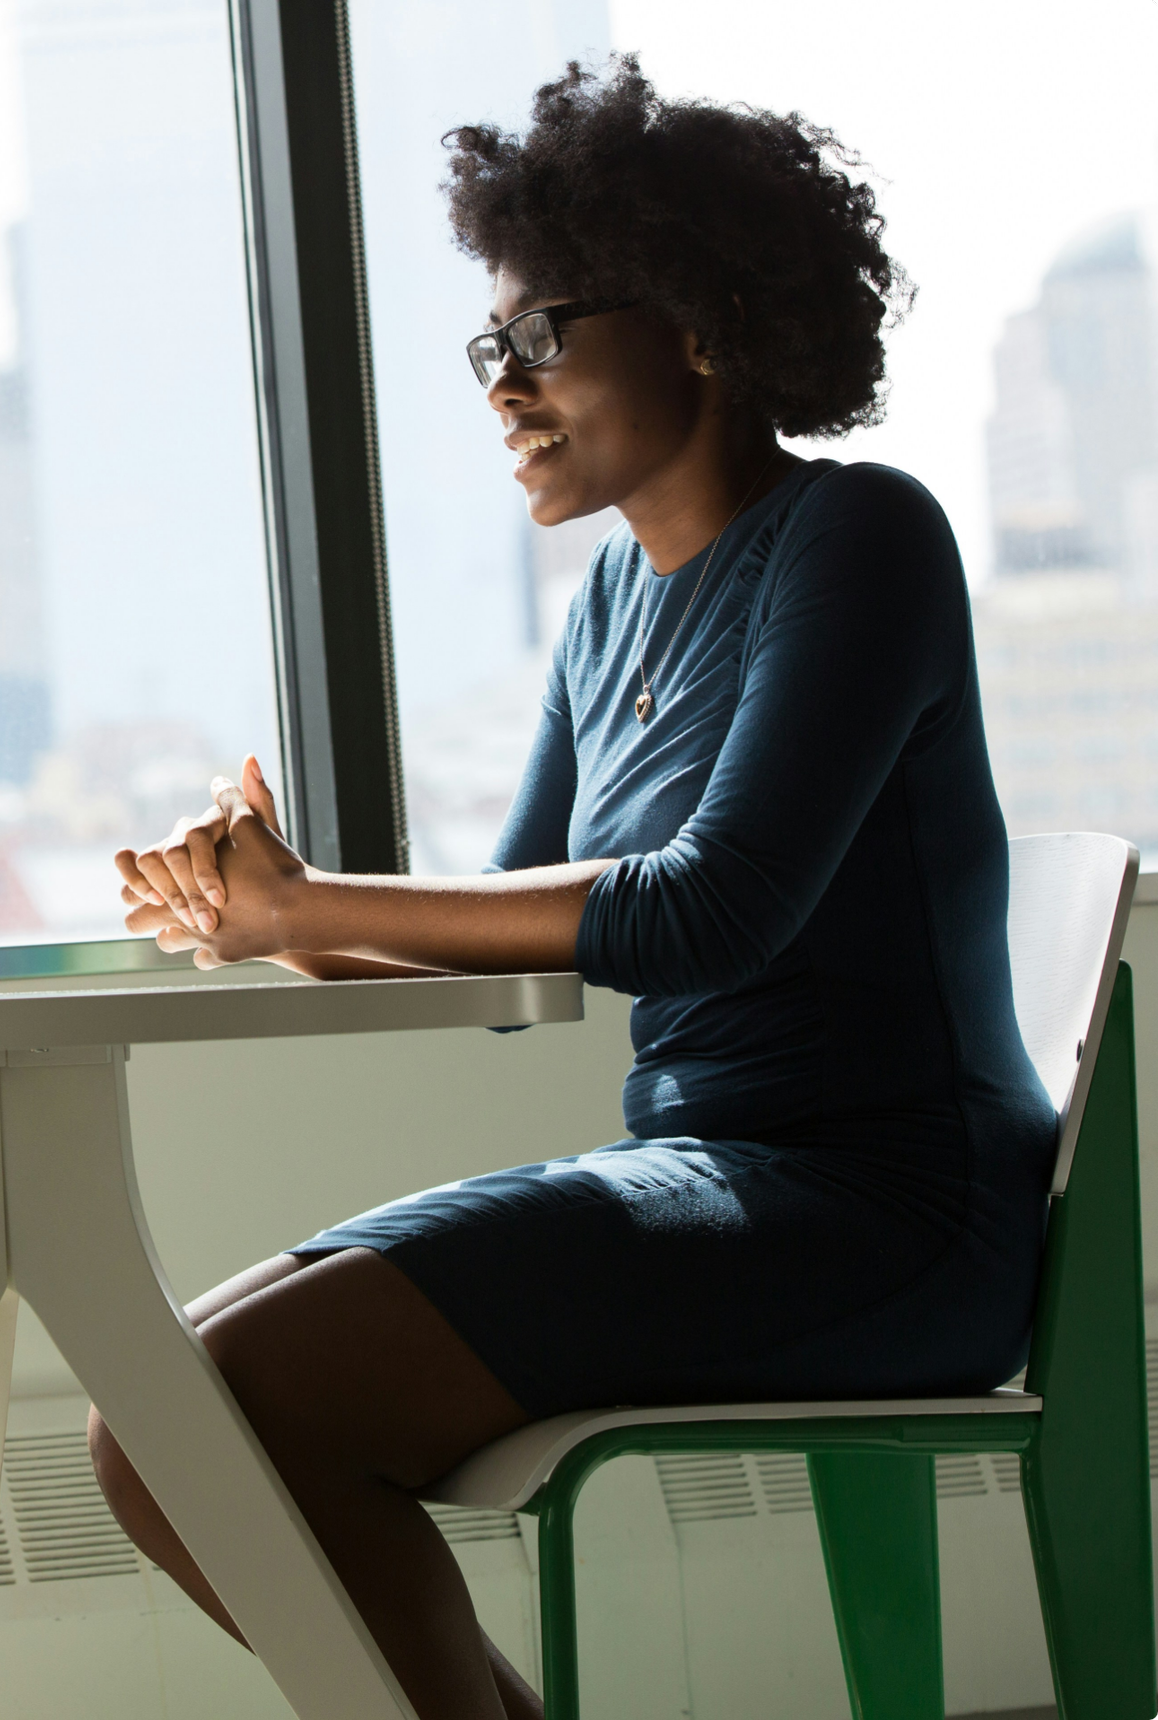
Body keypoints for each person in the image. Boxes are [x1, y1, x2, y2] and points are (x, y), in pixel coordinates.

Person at [94, 58, 1053, 1720]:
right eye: (493, 349)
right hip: (713, 1173)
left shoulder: (861, 540)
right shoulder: (611, 598)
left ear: (695, 318)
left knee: (232, 1411)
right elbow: (509, 950)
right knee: (158, 1420)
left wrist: (316, 907)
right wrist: (258, 911)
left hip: (891, 1210)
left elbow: (707, 911)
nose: (502, 388)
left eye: (538, 340)